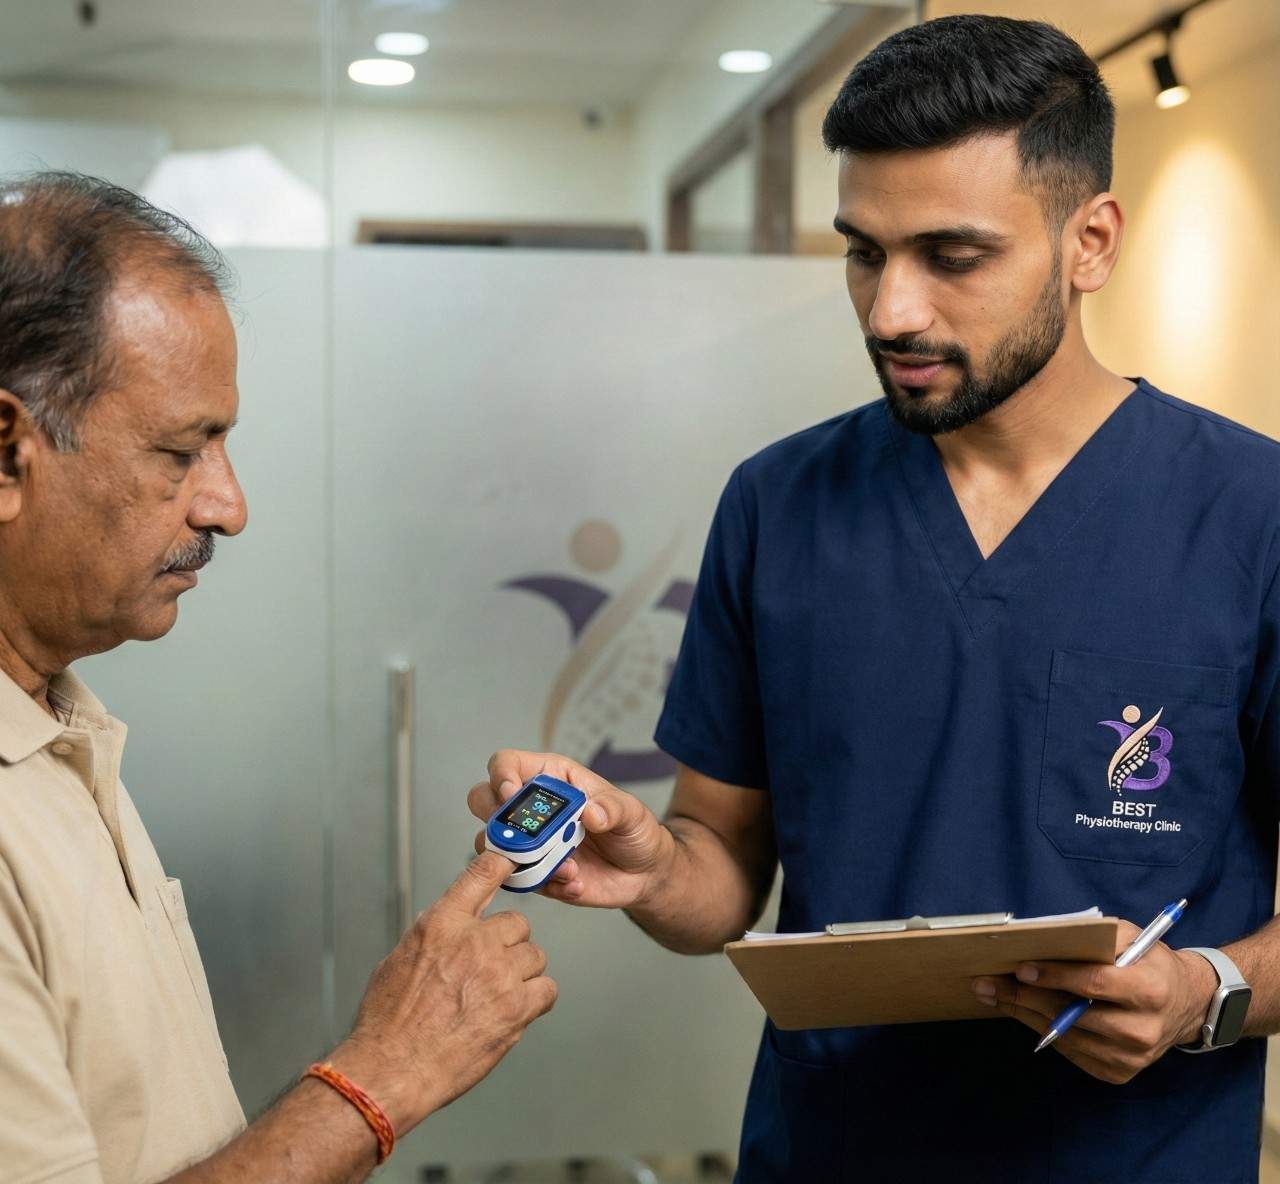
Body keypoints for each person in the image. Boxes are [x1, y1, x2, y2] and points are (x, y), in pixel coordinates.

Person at [468, 16, 1280, 1183]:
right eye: (862, 251)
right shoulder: (779, 503)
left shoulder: (1248, 512)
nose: (890, 310)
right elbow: (724, 865)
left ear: (1086, 241)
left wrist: (1207, 991)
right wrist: (651, 870)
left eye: (950, 256)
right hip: (825, 1151)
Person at [0, 172, 557, 1184]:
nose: (229, 504)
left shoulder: (57, 721)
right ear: (5, 452)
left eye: (225, 440)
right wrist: (381, 1072)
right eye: (181, 450)